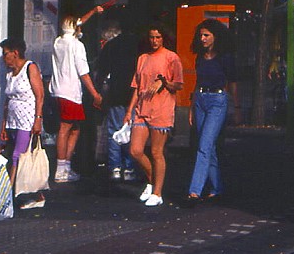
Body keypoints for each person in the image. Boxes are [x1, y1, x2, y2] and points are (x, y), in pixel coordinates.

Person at [125, 24, 183, 207]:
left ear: (163, 38)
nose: (154, 41)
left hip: (161, 109)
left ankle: (158, 192)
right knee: (135, 150)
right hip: (142, 109)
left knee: (157, 151)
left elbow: (178, 84)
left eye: (158, 37)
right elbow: (137, 87)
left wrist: (164, 82)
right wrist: (129, 111)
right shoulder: (143, 58)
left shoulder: (171, 58)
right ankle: (152, 180)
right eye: (152, 37)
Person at [186, 19, 239, 204]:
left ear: (215, 37)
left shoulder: (224, 58)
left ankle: (194, 190)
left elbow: (232, 83)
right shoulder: (200, 58)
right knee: (209, 148)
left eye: (206, 35)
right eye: (200, 35)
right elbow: (197, 82)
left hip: (217, 101)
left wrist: (236, 107)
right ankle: (217, 188)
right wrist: (192, 108)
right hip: (201, 100)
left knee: (204, 146)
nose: (202, 39)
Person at [50, 8, 104, 182]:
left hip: (58, 90)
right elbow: (83, 73)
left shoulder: (58, 42)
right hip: (70, 91)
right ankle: (61, 169)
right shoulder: (77, 46)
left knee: (74, 128)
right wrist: (95, 94)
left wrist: (94, 11)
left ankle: (65, 166)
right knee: (66, 129)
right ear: (75, 29)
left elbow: (77, 23)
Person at [0, 37, 45, 209]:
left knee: (19, 156)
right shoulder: (10, 73)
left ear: (15, 53)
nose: (4, 58)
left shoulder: (30, 68)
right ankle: (34, 194)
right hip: (12, 120)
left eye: (5, 54)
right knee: (14, 157)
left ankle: (7, 197)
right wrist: (3, 126)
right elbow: (6, 101)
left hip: (27, 120)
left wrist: (38, 120)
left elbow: (39, 95)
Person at [96, 18, 139, 182]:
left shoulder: (111, 46)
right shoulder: (138, 46)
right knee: (131, 131)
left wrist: (99, 92)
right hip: (133, 94)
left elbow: (101, 70)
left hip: (115, 92)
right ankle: (129, 167)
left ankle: (115, 167)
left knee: (114, 131)